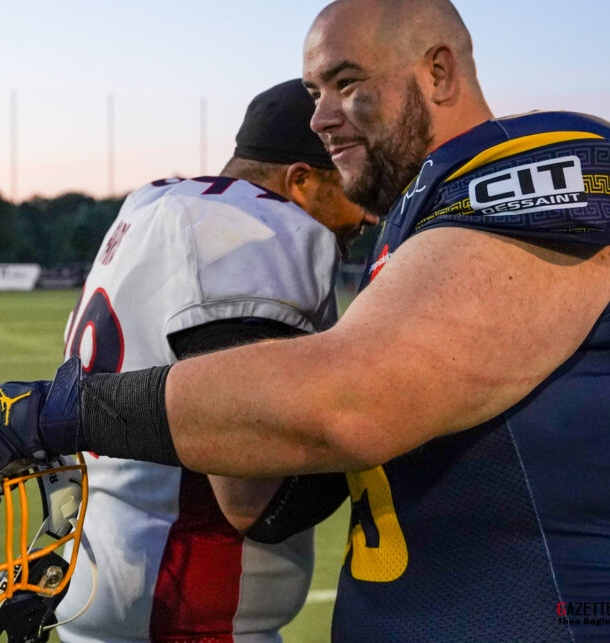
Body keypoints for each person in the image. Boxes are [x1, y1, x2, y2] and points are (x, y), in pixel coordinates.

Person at [0, 0, 610, 641]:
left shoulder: (550, 159)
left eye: (347, 82)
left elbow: (349, 399)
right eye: (314, 92)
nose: (322, 116)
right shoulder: (410, 223)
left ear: (437, 72)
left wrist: (57, 413)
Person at [45, 79, 372, 642]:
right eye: (349, 183)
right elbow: (253, 497)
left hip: (102, 575)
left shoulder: (153, 203)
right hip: (183, 605)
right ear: (300, 179)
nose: (364, 215)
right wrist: (393, 427)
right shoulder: (256, 228)